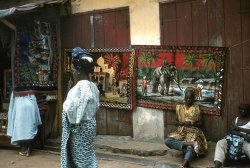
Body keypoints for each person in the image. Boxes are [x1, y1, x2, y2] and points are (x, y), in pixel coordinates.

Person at [61, 47, 100, 168]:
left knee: (81, 162)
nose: (72, 70)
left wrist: (72, 118)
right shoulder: (92, 86)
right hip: (89, 126)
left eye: (72, 67)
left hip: (79, 129)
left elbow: (73, 113)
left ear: (78, 70)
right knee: (86, 158)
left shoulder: (82, 87)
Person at [164, 87, 208, 168]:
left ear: (193, 98)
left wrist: (191, 123)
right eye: (187, 98)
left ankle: (184, 164)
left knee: (190, 148)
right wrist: (180, 123)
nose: (188, 100)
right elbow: (176, 122)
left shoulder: (197, 108)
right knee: (167, 140)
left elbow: (201, 123)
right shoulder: (179, 107)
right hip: (181, 131)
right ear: (184, 97)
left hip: (193, 131)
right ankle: (190, 143)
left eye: (190, 98)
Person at [213, 103, 250, 168]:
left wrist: (238, 128)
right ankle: (217, 165)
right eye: (242, 109)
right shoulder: (236, 119)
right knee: (220, 143)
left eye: (245, 109)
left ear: (248, 110)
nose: (243, 111)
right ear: (239, 110)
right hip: (232, 139)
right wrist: (243, 134)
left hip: (245, 141)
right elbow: (231, 130)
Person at [7, 91, 42, 157]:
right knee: (30, 130)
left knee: (21, 131)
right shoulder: (30, 89)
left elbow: (12, 104)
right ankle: (28, 150)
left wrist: (11, 116)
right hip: (30, 107)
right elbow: (34, 101)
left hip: (20, 108)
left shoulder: (16, 89)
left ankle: (24, 149)